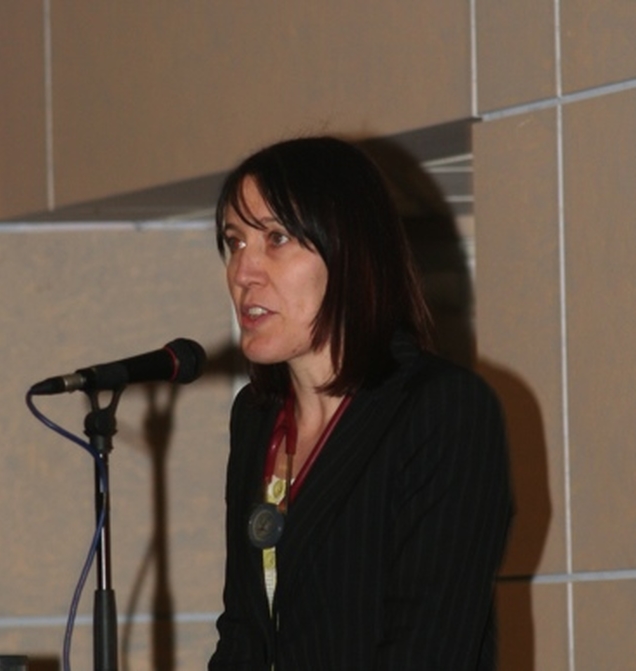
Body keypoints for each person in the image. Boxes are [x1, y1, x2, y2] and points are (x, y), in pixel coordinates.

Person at [208, 136, 512, 670]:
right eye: (235, 242)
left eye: (275, 238)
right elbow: (242, 637)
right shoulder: (257, 418)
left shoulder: (442, 410)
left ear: (348, 253)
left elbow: (429, 650)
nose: (243, 272)